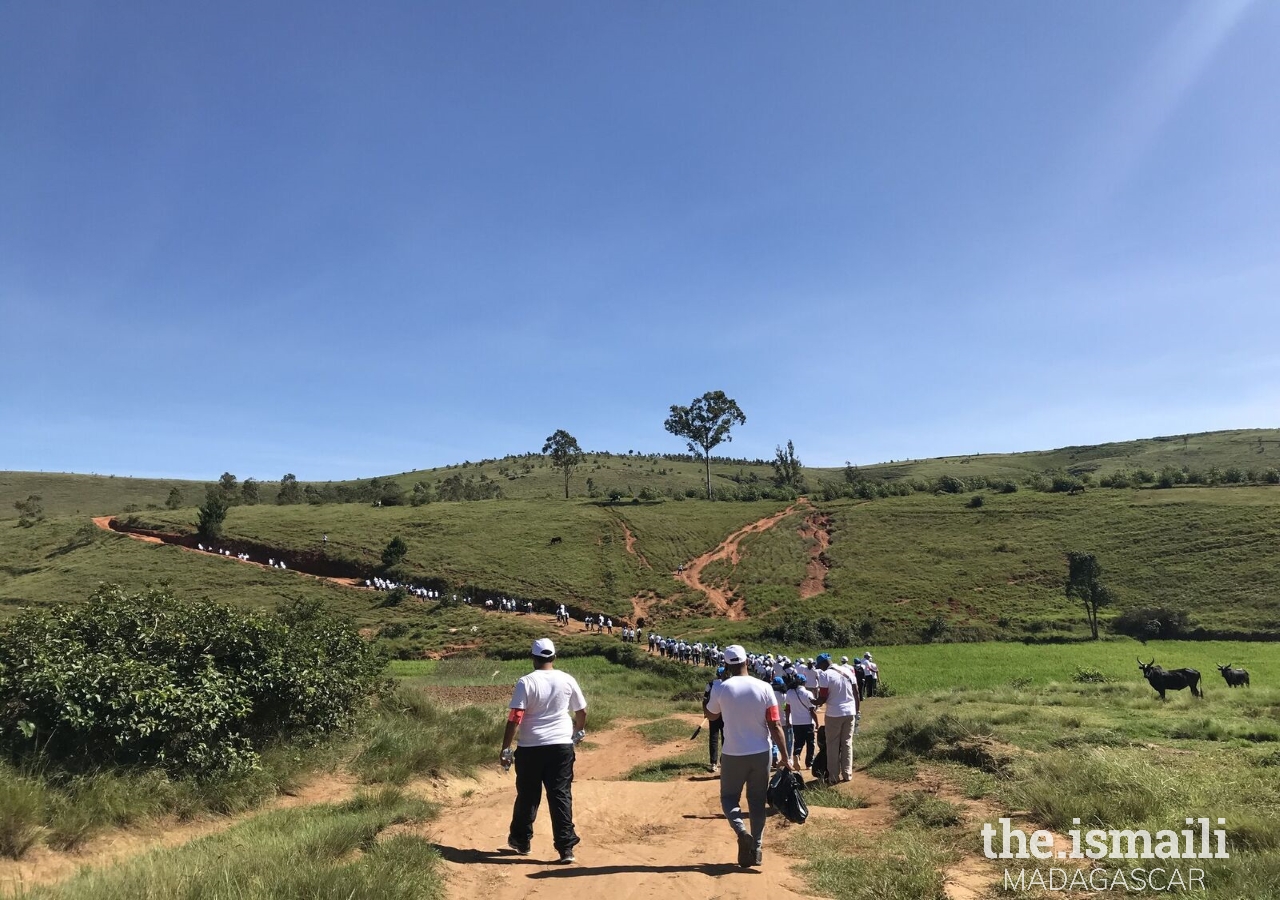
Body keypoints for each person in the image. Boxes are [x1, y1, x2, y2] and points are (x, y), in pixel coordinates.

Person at [705, 645, 794, 869]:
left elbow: (712, 714)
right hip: (761, 753)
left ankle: (741, 831)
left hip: (733, 752)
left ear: (727, 664)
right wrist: (785, 756)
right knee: (756, 802)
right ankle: (757, 847)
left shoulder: (721, 688)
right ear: (747, 661)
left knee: (728, 799)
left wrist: (706, 703)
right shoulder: (764, 687)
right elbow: (775, 724)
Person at [501, 638, 587, 864]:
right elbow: (582, 711)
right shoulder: (567, 679)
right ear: (554, 657)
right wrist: (577, 731)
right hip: (561, 746)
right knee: (560, 794)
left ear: (533, 658)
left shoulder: (526, 682)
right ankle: (566, 847)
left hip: (531, 747)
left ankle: (521, 840)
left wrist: (506, 747)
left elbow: (515, 717)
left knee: (528, 795)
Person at [813, 652, 860, 783]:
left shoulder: (825, 675)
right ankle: (847, 774)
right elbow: (856, 692)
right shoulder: (848, 671)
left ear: (823, 664)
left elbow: (822, 697)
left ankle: (833, 777)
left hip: (834, 713)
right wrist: (857, 710)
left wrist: (814, 702)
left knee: (832, 744)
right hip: (850, 712)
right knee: (847, 743)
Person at [786, 673, 817, 770]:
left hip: (796, 722)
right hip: (807, 722)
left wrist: (788, 720)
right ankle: (809, 763)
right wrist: (817, 722)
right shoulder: (808, 693)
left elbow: (787, 708)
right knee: (810, 742)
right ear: (804, 682)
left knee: (798, 741)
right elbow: (812, 710)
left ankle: (796, 754)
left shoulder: (789, 693)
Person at [704, 666, 728, 772]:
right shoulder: (727, 685)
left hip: (713, 713)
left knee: (713, 738)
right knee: (725, 738)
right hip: (725, 715)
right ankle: (724, 762)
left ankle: (713, 763)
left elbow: (705, 699)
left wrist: (705, 712)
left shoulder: (710, 684)